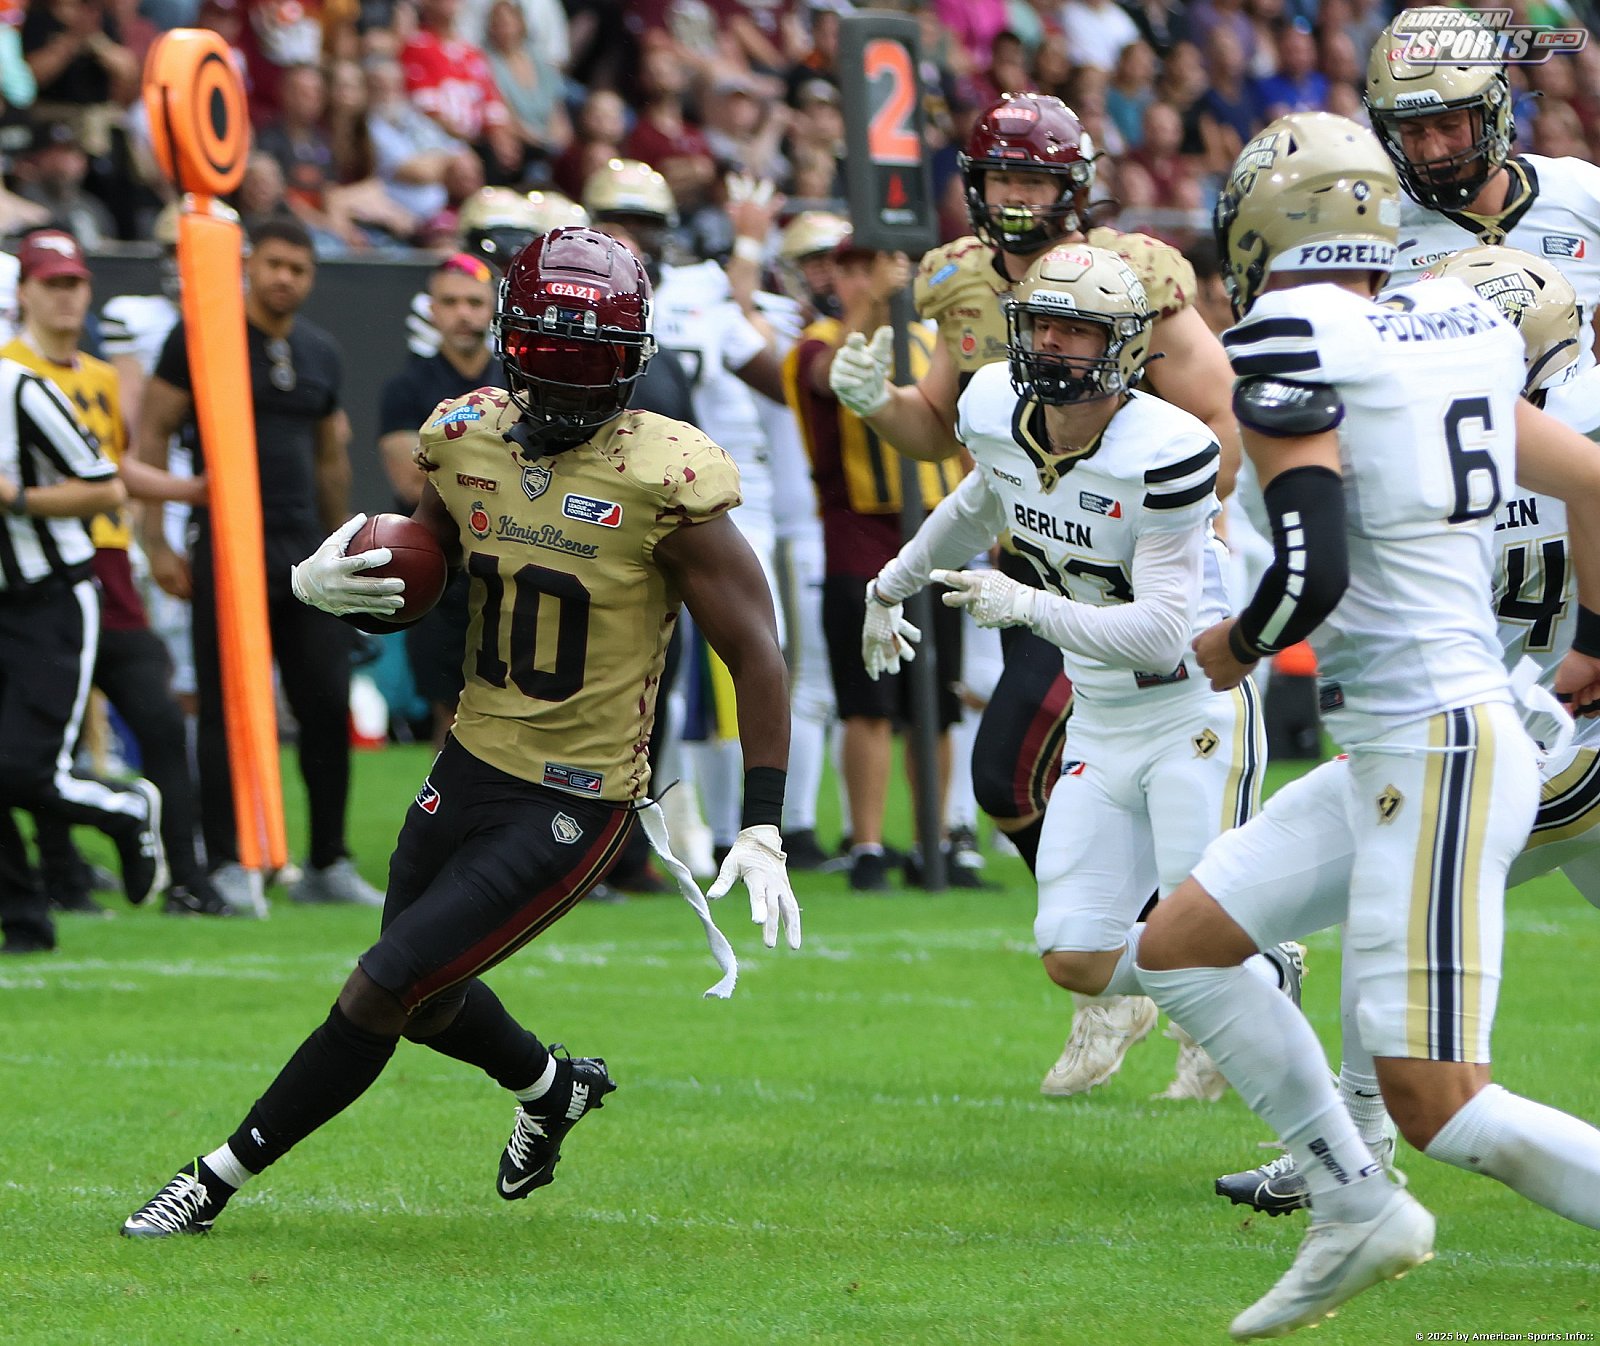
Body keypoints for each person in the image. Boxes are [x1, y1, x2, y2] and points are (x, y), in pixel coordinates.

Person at [121, 225, 800, 1237]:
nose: (567, 379)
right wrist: (332, 583)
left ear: (632, 359)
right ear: (511, 343)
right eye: (551, 351)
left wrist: (762, 819)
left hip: (576, 797)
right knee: (423, 994)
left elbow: (756, 651)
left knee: (382, 984)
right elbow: (421, 571)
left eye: (592, 357)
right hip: (470, 759)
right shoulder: (465, 434)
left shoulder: (666, 472)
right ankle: (554, 1088)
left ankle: (213, 1178)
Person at [1134, 112, 1600, 1338]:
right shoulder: (1453, 321)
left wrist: (1231, 646)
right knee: (1177, 944)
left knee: (1441, 1101)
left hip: (1434, 743)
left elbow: (1310, 568)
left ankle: (1366, 1194)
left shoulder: (1290, 335)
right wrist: (1595, 642)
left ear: (1259, 223)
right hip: (1416, 740)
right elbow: (1593, 477)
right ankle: (1351, 1201)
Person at [830, 91, 1242, 1096]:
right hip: (1032, 560)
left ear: (1075, 186)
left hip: (1136, 570)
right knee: (1014, 779)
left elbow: (1217, 415)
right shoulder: (959, 282)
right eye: (1002, 176)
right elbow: (949, 438)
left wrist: (1168, 517)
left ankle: (1198, 971)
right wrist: (874, 403)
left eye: (1034, 177)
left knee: (1014, 765)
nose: (1016, 196)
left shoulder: (1135, 271)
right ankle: (1132, 960)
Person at [1214, 246, 1600, 1216]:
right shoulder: (1530, 426)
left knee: (1390, 896)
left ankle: (1352, 1151)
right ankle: (1352, 1150)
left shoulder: (1468, 431)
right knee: (1389, 897)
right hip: (1526, 723)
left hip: (1529, 734)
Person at [865, 243, 1306, 1088]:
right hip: (1100, 719)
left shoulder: (1166, 447)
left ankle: (1252, 977)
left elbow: (1163, 633)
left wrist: (1026, 604)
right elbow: (979, 503)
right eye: (1041, 324)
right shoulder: (994, 405)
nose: (1052, 343)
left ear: (1125, 345)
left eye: (1076, 330)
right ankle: (1245, 959)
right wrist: (892, 585)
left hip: (1189, 710)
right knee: (1074, 955)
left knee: (1193, 930)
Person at [135, 216, 383, 915]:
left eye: (298, 269)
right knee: (225, 707)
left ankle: (328, 862)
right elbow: (152, 431)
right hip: (227, 542)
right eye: (273, 264)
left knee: (326, 702)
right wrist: (155, 541)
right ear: (247, 265)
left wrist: (343, 545)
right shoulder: (201, 338)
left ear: (311, 277)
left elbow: (330, 456)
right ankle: (227, 863)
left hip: (304, 549)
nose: (284, 278)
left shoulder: (320, 351)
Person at [3, 230, 225, 918]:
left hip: (103, 564)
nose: (66, 297)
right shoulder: (12, 372)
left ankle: (185, 875)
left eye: (75, 283)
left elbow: (107, 467)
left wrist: (181, 495)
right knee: (44, 740)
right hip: (38, 572)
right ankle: (63, 878)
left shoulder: (96, 375)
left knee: (154, 718)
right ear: (23, 293)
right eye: (52, 283)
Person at [784, 233, 971, 891]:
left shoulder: (930, 340)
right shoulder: (816, 344)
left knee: (937, 700)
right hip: (858, 535)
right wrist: (872, 306)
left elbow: (960, 427)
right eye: (857, 270)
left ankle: (934, 841)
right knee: (867, 698)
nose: (872, 280)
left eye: (881, 269)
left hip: (935, 531)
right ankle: (866, 843)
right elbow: (831, 376)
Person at [0, 272, 165, 954]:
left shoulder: (20, 390)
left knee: (23, 770)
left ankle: (125, 808)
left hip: (49, 598)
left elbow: (104, 487)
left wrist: (16, 499)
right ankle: (23, 921)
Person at [1364, 21, 1600, 361]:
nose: (1432, 150)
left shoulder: (1582, 194)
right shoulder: (1374, 228)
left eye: (1449, 126)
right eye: (1412, 131)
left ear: (1494, 113)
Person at [379, 251, 503, 748]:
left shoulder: (518, 383)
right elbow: (411, 484)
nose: (463, 314)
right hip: (443, 571)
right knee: (450, 715)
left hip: (512, 564)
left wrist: (449, 462)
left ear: (492, 308)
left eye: (474, 302)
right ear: (431, 309)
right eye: (450, 302)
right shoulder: (407, 388)